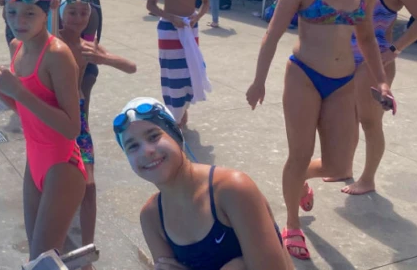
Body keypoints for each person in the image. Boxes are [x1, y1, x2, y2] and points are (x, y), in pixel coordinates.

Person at [245, 0, 394, 260]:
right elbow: (272, 34)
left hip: (344, 81)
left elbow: (367, 38)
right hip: (304, 76)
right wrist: (258, 81)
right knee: (299, 153)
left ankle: (298, 183)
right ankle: (292, 222)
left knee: (338, 166)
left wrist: (381, 80)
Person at [0, 0, 86, 262]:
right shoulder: (17, 47)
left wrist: (21, 93)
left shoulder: (57, 55)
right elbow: (23, 110)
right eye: (12, 12)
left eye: (29, 13)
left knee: (41, 260)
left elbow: (72, 128)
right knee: (58, 255)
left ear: (46, 11)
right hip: (35, 161)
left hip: (62, 166)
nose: (18, 21)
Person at [113, 97, 294, 270]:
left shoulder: (232, 190)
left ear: (175, 135)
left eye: (153, 136)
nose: (146, 151)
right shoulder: (152, 217)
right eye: (132, 146)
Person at [336, 0, 417, 195]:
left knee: (369, 121)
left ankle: (368, 179)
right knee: (348, 118)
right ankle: (344, 168)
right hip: (343, 60)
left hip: (374, 62)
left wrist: (396, 48)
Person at [58, 0, 136, 268]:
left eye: (83, 13)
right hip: (53, 121)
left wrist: (104, 59)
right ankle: (53, 240)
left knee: (89, 185)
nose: (78, 18)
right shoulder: (50, 41)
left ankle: (86, 253)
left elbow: (131, 67)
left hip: (78, 120)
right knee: (54, 184)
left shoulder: (88, 46)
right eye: (72, 12)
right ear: (60, 13)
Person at [146, 0, 210, 128]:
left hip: (190, 27)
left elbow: (206, 2)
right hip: (168, 27)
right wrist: (170, 17)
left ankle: (183, 109)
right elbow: (151, 5)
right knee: (172, 72)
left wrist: (197, 16)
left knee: (191, 69)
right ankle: (176, 114)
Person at [62, 0, 103, 119]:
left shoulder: (90, 13)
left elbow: (85, 52)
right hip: (78, 71)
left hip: (83, 73)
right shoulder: (83, 6)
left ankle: (83, 144)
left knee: (80, 119)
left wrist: (77, 86)